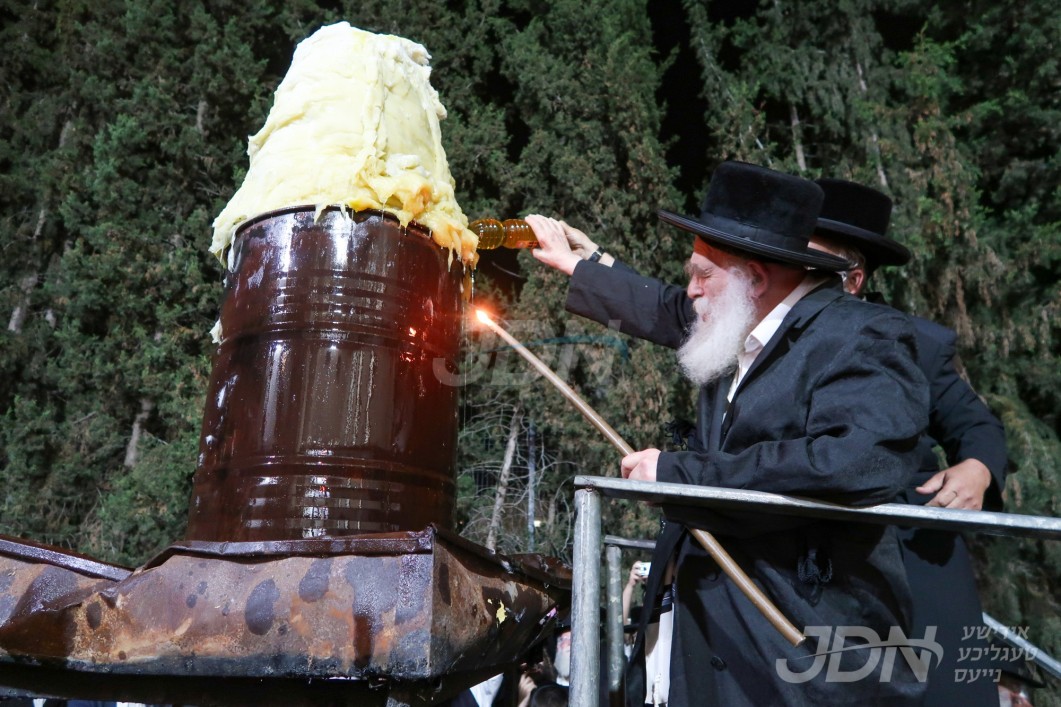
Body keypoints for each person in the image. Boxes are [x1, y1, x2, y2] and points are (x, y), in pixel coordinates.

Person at [526, 161, 930, 706]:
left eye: (701, 274)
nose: (689, 291)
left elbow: (856, 461)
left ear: (755, 279)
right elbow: (665, 308)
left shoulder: (864, 334)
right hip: (711, 632)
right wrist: (582, 267)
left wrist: (681, 476)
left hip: (804, 648)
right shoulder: (738, 321)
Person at [809, 178, 1009, 707]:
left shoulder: (914, 342)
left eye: (809, 261)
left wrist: (978, 470)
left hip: (911, 554)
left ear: (852, 279)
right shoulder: (764, 339)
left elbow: (978, 427)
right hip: (810, 566)